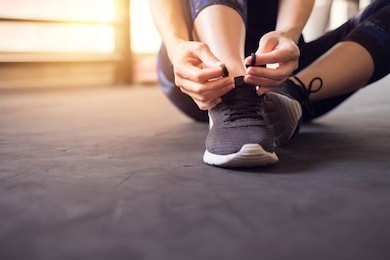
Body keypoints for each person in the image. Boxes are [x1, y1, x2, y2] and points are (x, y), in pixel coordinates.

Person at [149, 0, 390, 167]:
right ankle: (232, 88)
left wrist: (288, 33)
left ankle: (293, 92)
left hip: (281, 70)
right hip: (196, 67)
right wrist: (176, 45)